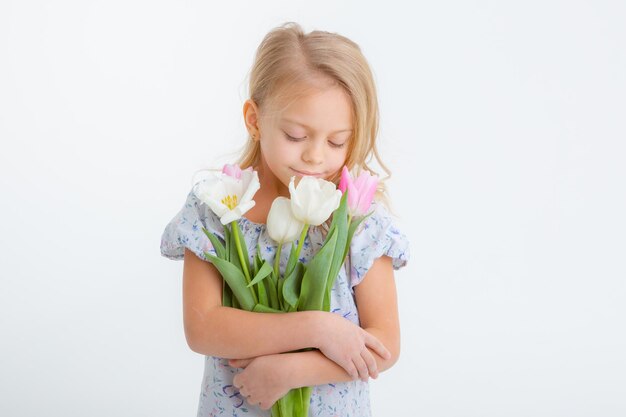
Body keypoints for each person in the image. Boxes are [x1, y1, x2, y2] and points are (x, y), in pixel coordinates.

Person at [160, 22, 410, 417]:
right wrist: (317, 328)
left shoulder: (359, 219)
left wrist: (291, 370)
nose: (315, 157)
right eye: (296, 135)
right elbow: (202, 326)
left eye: (336, 141)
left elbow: (385, 344)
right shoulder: (216, 207)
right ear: (255, 120)